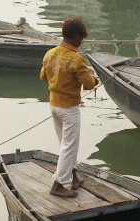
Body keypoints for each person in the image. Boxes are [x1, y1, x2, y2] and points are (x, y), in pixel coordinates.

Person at [40, 17, 99, 198]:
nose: (81, 42)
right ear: (75, 37)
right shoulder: (75, 59)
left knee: (65, 146)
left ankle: (73, 177)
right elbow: (89, 84)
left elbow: (43, 76)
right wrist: (93, 76)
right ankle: (58, 185)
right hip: (69, 109)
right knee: (70, 147)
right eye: (81, 38)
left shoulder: (50, 54)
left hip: (54, 106)